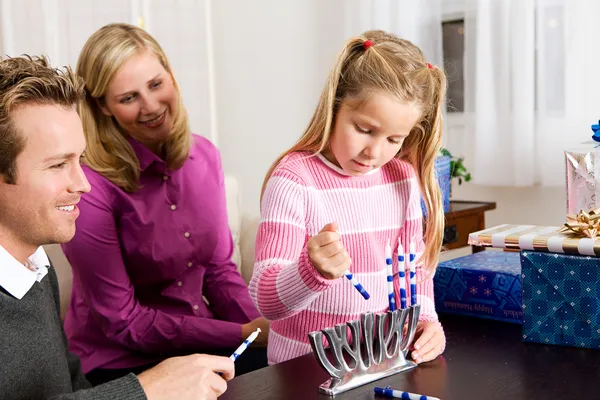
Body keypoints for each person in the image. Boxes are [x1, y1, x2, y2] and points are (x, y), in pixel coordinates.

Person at [0, 55, 234, 400]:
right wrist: (148, 390)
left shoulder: (34, 266)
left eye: (78, 159)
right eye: (57, 165)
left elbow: (71, 387)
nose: (83, 184)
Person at [60, 23, 268, 385]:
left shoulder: (204, 156)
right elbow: (122, 320)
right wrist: (237, 334)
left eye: (156, 84)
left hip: (204, 344)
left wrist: (261, 331)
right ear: (103, 108)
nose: (151, 106)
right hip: (121, 359)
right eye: (128, 98)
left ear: (170, 74)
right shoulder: (88, 187)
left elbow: (219, 271)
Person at [250, 30, 447, 365]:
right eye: (364, 130)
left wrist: (427, 322)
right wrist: (310, 272)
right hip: (303, 369)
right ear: (335, 106)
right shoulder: (294, 180)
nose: (374, 152)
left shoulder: (402, 179)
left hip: (381, 362)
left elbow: (413, 273)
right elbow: (266, 301)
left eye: (393, 139)